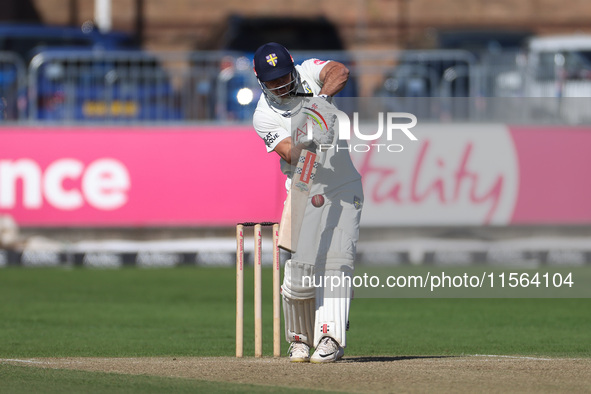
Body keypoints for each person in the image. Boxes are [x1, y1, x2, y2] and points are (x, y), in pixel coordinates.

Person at [252, 42, 363, 363]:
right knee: (300, 271)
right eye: (272, 81)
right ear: (261, 81)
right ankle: (299, 339)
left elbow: (339, 71)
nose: (281, 85)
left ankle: (330, 335)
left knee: (337, 258)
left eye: (284, 77)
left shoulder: (308, 72)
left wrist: (322, 102)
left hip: (342, 185)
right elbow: (291, 153)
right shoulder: (263, 116)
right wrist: (312, 137)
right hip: (303, 190)